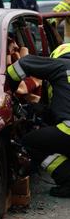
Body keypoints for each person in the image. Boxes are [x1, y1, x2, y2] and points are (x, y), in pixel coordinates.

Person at [6, 43, 70, 197]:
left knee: (31, 142)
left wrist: (10, 90)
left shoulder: (61, 65)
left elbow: (22, 64)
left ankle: (67, 180)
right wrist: (45, 111)